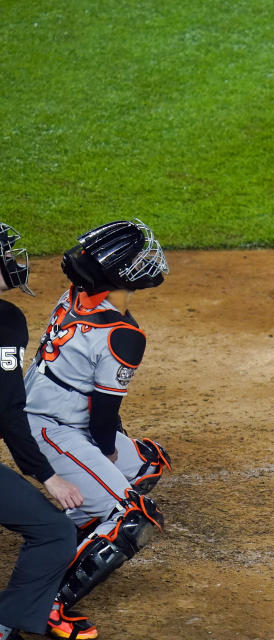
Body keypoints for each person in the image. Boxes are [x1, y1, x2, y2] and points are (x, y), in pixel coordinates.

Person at [23, 219, 172, 633]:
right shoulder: (125, 337)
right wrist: (105, 453)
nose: (149, 259)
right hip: (51, 427)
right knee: (134, 517)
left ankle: (86, 525)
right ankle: (46, 601)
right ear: (122, 274)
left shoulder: (77, 295)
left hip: (50, 410)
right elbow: (104, 420)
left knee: (148, 463)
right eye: (139, 256)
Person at [0, 222, 97, 640]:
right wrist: (47, 475)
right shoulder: (4, 322)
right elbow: (6, 410)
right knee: (55, 532)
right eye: (3, 255)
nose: (12, 261)